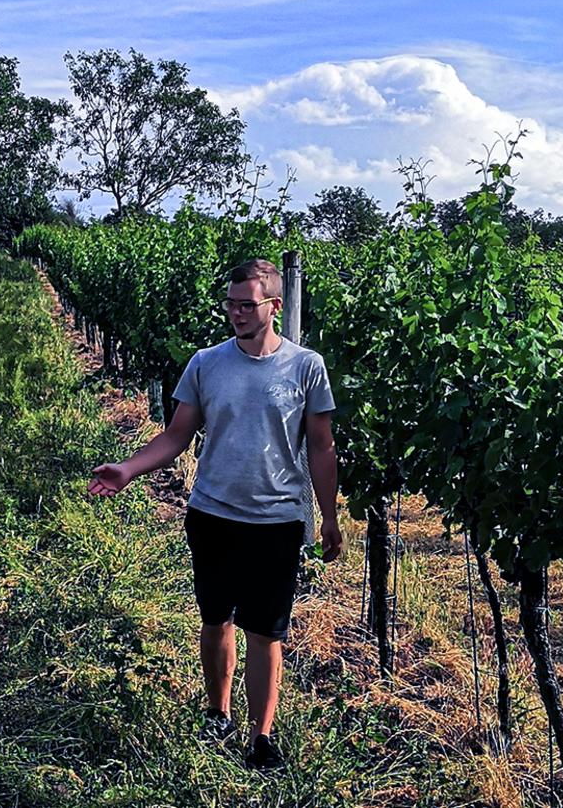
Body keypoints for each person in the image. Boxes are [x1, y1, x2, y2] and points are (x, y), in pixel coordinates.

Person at [88, 258, 343, 773]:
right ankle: (217, 711)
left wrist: (330, 516)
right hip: (212, 514)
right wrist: (128, 469)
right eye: (231, 304)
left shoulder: (306, 367)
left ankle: (262, 736)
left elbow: (321, 447)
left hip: (277, 521)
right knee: (215, 618)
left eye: (247, 304)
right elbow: (177, 436)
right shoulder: (206, 363)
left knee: (266, 630)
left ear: (274, 305)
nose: (236, 313)